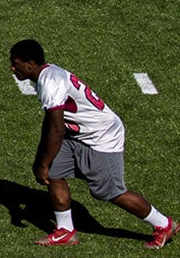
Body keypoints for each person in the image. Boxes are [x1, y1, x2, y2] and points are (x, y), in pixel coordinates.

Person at [9, 39, 179, 249]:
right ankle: (65, 231)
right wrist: (42, 160)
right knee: (53, 171)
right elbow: (51, 121)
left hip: (102, 137)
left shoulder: (50, 82)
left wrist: (42, 164)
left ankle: (164, 224)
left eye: (16, 63)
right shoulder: (46, 74)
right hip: (80, 134)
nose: (12, 68)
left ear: (30, 64)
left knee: (110, 192)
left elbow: (57, 129)